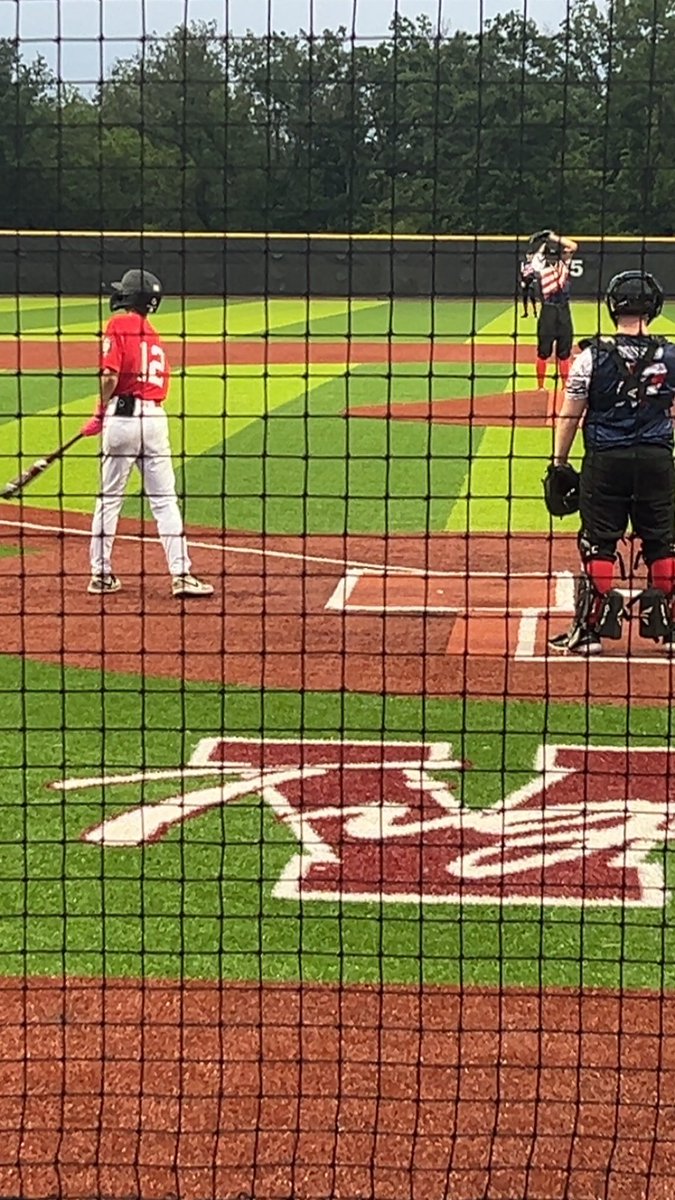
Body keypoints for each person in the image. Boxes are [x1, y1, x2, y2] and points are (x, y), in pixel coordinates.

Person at [545, 269, 675, 656]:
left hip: (606, 461)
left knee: (598, 543)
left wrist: (559, 463)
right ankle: (669, 628)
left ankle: (592, 631)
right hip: (655, 460)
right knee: (663, 540)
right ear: (653, 307)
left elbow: (570, 414)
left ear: (612, 307)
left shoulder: (590, 356)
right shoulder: (671, 355)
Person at [80, 268, 214, 598]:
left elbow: (110, 375)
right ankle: (181, 574)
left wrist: (101, 410)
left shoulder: (119, 325)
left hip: (122, 420)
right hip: (154, 421)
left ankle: (101, 574)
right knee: (165, 500)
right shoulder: (153, 336)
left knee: (109, 498)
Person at [529, 229, 578, 392]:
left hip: (562, 309)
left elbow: (573, 245)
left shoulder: (563, 263)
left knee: (564, 352)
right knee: (543, 351)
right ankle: (540, 387)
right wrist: (545, 242)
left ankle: (564, 387)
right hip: (549, 309)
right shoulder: (541, 263)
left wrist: (552, 237)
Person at [518, 252, 538, 318]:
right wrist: (521, 281)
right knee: (525, 297)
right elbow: (521, 273)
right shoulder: (523, 263)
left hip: (531, 281)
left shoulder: (535, 263)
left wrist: (535, 279)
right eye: (528, 255)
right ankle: (525, 312)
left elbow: (536, 272)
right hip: (525, 281)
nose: (529, 256)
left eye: (531, 255)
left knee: (532, 296)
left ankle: (535, 311)